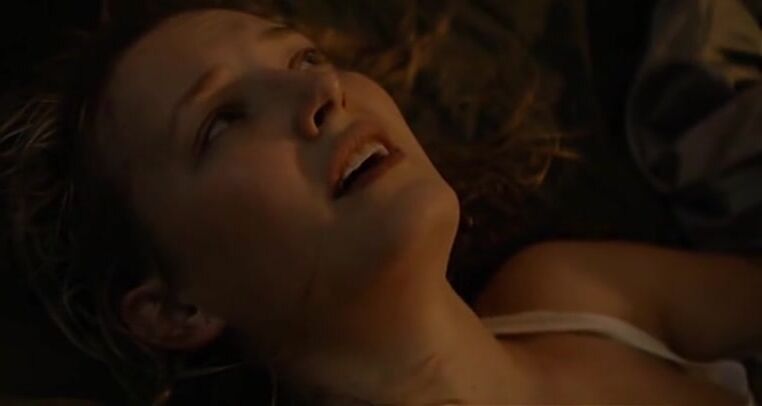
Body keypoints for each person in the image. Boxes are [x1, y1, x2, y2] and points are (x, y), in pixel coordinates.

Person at [0, 0, 760, 404]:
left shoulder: (574, 293)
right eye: (222, 121)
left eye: (304, 56)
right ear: (175, 309)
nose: (320, 88)